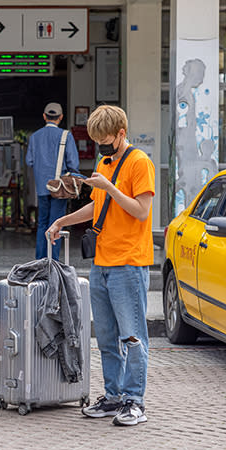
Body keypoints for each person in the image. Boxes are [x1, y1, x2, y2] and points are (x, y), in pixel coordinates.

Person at [47, 105, 155, 427]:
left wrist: (109, 187)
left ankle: (135, 401)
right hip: (102, 262)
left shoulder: (139, 163)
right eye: (97, 141)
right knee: (106, 337)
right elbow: (99, 205)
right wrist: (62, 220)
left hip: (129, 263)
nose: (101, 147)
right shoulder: (104, 163)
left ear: (121, 133)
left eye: (105, 140)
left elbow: (141, 210)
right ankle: (113, 397)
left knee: (133, 337)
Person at [26, 102, 80, 261]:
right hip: (60, 188)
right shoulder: (66, 136)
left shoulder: (34, 137)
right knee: (56, 224)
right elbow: (73, 164)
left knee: (42, 223)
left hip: (42, 188)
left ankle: (40, 260)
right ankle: (53, 261)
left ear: (44, 116)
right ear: (61, 117)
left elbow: (29, 161)